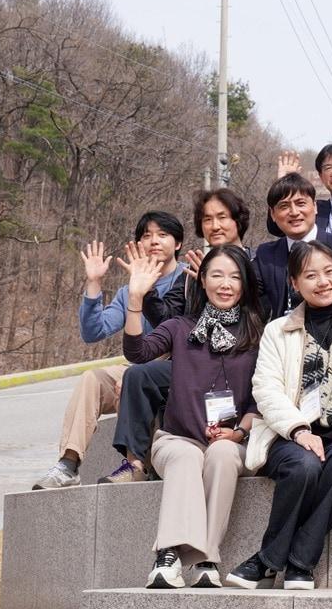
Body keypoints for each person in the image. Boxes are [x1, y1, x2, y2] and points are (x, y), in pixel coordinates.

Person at [227, 242, 332, 590]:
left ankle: (280, 560)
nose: (323, 282)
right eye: (311, 276)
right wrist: (298, 430)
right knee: (304, 466)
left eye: (329, 272)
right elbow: (265, 388)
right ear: (294, 283)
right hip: (289, 433)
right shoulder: (277, 330)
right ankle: (295, 566)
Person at [122, 242, 264, 590]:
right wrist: (136, 299)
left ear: (245, 284)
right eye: (216, 275)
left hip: (233, 440)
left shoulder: (258, 334)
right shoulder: (179, 328)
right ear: (202, 281)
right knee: (186, 456)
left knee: (222, 454)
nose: (225, 284)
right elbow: (137, 353)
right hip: (177, 438)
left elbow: (260, 400)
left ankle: (205, 559)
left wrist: (238, 433)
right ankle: (168, 555)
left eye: (234, 277)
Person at [100, 188, 257, 485]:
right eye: (207, 219)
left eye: (222, 217)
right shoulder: (191, 273)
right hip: (193, 357)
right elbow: (166, 321)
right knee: (139, 374)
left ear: (238, 221)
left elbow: (261, 308)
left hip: (238, 358)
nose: (215, 225)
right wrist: (141, 294)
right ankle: (134, 463)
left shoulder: (259, 262)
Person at [31, 212, 185, 490]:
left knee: (135, 377)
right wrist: (94, 283)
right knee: (93, 378)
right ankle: (68, 464)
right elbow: (94, 331)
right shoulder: (127, 291)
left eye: (162, 235)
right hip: (139, 366)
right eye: (147, 236)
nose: (154, 241)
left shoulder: (188, 278)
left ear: (178, 243)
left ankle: (139, 464)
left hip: (178, 368)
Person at [254, 172, 332, 321]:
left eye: (300, 203)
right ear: (272, 214)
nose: (294, 212)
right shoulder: (266, 255)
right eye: (284, 206)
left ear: (315, 207)